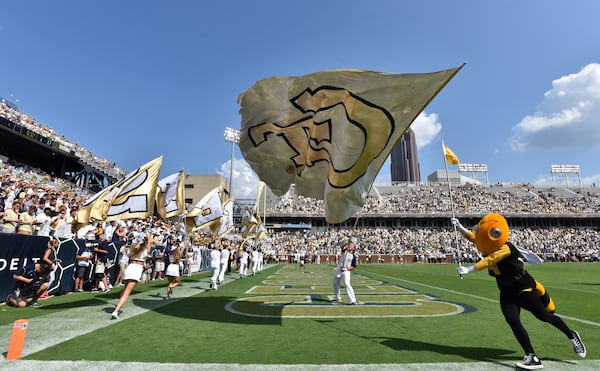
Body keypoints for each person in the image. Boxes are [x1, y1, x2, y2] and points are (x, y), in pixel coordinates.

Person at [452, 214, 586, 369]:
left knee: (544, 316)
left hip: (523, 285)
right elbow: (474, 238)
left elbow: (490, 259)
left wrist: (469, 269)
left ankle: (571, 335)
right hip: (506, 290)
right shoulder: (488, 244)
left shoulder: (506, 248)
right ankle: (532, 356)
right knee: (513, 320)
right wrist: (460, 227)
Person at [112, 235, 152, 319]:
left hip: (130, 267)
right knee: (127, 292)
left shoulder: (134, 250)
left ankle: (118, 306)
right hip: (136, 269)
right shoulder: (145, 250)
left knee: (125, 289)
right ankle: (116, 311)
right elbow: (149, 243)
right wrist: (149, 237)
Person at [333, 240, 358, 305]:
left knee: (347, 284)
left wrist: (346, 269)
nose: (350, 246)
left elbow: (353, 267)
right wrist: (347, 242)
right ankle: (338, 297)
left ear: (354, 248)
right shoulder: (345, 251)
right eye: (350, 245)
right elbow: (342, 247)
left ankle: (353, 300)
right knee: (335, 283)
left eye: (352, 245)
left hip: (346, 271)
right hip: (339, 269)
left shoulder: (354, 256)